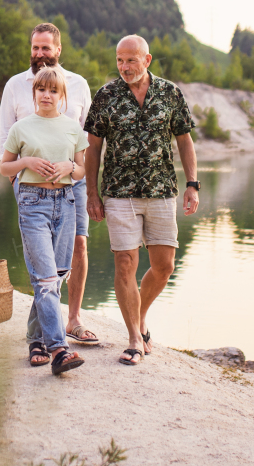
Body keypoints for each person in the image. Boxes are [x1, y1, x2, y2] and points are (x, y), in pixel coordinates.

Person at [84, 35, 199, 367]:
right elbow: (93, 147)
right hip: (119, 194)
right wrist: (93, 193)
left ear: (147, 60)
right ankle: (134, 338)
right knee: (125, 265)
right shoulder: (106, 95)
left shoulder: (170, 93)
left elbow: (184, 140)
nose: (124, 67)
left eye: (131, 60)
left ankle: (140, 315)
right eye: (119, 60)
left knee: (164, 266)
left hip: (162, 191)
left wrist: (192, 184)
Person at [0, 23, 98, 348]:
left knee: (75, 250)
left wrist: (81, 175)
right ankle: (44, 339)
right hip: (30, 188)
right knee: (40, 260)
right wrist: (18, 178)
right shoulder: (15, 85)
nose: (39, 54)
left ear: (58, 49)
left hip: (72, 186)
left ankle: (73, 319)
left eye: (46, 48)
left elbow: (87, 140)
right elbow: (4, 136)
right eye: (35, 47)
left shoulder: (79, 85)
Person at [0, 65, 88, 376]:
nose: (46, 95)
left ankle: (34, 339)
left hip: (65, 203)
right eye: (41, 89)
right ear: (34, 92)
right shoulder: (21, 128)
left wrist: (68, 167)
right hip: (32, 203)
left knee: (57, 274)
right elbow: (4, 168)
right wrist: (26, 162)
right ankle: (58, 348)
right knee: (47, 278)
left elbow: (82, 169)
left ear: (62, 95)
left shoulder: (72, 128)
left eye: (53, 90)